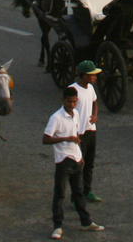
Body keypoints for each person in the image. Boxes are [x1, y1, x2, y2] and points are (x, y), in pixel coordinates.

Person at [43, 86, 103, 237]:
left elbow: (76, 135)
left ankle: (86, 222)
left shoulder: (76, 114)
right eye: (69, 101)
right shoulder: (56, 118)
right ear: (63, 100)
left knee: (79, 193)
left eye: (74, 101)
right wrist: (65, 139)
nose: (72, 105)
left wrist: (80, 156)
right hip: (63, 161)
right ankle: (57, 226)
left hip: (76, 160)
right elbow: (46, 139)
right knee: (60, 195)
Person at [70, 60, 102, 203]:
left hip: (90, 130)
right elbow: (68, 112)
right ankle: (75, 196)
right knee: (77, 165)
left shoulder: (90, 88)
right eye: (92, 75)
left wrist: (95, 115)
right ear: (84, 76)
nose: (95, 77)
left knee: (89, 163)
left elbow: (95, 103)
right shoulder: (73, 90)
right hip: (79, 133)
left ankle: (87, 191)